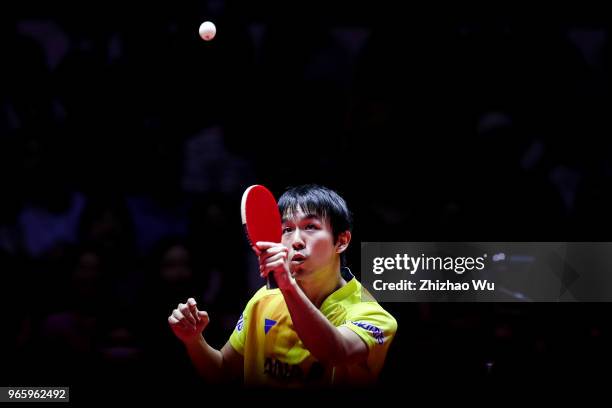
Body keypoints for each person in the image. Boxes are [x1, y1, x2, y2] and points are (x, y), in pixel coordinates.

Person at [168, 184, 397, 387]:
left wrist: (287, 285)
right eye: (286, 230)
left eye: (310, 227)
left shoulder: (372, 315)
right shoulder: (264, 300)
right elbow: (223, 371)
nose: (296, 240)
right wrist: (194, 340)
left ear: (341, 241)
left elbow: (335, 352)